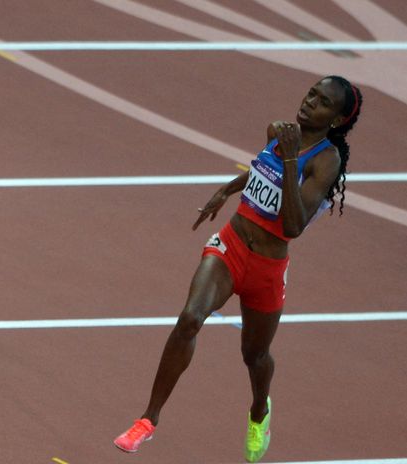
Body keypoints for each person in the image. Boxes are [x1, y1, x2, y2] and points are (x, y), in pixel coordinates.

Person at [113, 76, 362, 462]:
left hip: (267, 268)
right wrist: (227, 190)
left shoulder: (326, 160)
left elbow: (293, 225)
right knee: (189, 319)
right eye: (312, 93)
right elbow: (262, 171)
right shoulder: (280, 132)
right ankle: (148, 419)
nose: (310, 102)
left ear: (338, 119)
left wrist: (292, 157)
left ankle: (260, 411)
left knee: (255, 355)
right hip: (231, 247)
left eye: (323, 102)